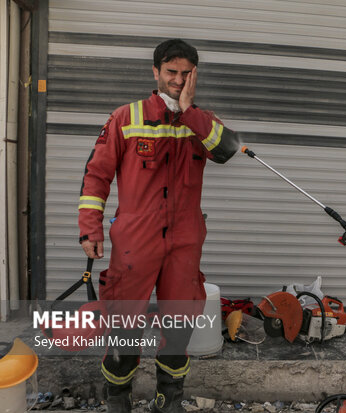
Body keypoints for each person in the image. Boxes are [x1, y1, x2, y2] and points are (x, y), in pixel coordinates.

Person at [78, 39, 239, 412]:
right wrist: (90, 227)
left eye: (186, 74)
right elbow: (96, 176)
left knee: (179, 326)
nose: (178, 80)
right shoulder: (125, 118)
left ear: (195, 75)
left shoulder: (204, 120)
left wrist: (188, 111)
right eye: (171, 72)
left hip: (185, 240)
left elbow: (227, 150)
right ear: (155, 72)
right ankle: (119, 401)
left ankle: (169, 399)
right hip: (135, 241)